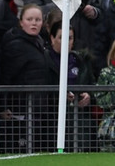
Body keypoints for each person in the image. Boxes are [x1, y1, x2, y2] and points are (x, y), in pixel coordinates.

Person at [0, 4, 51, 152]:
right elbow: (6, 76)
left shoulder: (40, 42)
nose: (34, 23)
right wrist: (2, 106)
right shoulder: (15, 45)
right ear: (21, 22)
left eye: (38, 20)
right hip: (19, 110)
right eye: (29, 19)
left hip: (37, 108)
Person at [44, 20, 95, 151]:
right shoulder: (44, 60)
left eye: (70, 38)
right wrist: (59, 95)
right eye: (61, 37)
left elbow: (93, 86)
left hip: (79, 120)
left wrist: (88, 95)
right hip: (51, 120)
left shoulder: (82, 61)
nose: (66, 41)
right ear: (52, 38)